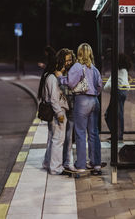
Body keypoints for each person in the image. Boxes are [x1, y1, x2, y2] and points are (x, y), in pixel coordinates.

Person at [56, 43, 103, 174]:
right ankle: (96, 163)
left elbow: (71, 83)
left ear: (79, 53)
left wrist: (60, 78)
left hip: (82, 101)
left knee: (80, 133)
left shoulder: (77, 66)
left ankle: (81, 164)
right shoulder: (94, 68)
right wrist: (94, 94)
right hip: (95, 100)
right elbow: (99, 85)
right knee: (94, 133)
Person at [38, 46, 69, 175]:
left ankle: (47, 163)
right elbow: (54, 99)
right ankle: (56, 168)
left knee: (51, 139)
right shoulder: (52, 78)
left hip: (52, 111)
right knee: (58, 140)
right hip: (57, 111)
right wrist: (60, 114)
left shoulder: (46, 75)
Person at [55, 48, 76, 171]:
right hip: (62, 108)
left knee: (69, 136)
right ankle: (59, 161)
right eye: (66, 60)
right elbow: (62, 90)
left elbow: (70, 88)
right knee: (59, 137)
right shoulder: (58, 72)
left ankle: (67, 161)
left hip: (72, 107)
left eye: (70, 60)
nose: (68, 62)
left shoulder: (73, 71)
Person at [104, 53, 132, 140]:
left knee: (115, 115)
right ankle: (116, 134)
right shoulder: (124, 71)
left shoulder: (120, 71)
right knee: (112, 114)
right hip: (119, 93)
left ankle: (118, 136)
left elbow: (111, 85)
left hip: (117, 93)